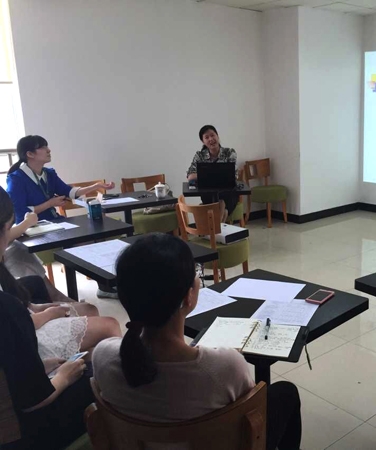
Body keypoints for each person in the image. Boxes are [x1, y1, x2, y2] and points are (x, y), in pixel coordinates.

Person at [93, 233, 302, 450]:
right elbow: (252, 414)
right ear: (188, 297)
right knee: (286, 392)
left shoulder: (102, 356)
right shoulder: (224, 367)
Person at [0, 188, 95, 450]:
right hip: (21, 434)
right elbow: (33, 401)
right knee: (96, 375)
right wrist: (63, 376)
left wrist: (37, 369)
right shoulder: (7, 309)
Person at [6, 135, 118, 299]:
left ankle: (105, 285)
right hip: (32, 229)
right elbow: (20, 212)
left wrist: (96, 186)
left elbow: (70, 192)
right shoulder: (16, 178)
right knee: (81, 241)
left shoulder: (49, 174)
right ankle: (98, 287)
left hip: (56, 223)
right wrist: (49, 204)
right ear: (30, 154)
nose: (49, 150)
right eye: (43, 147)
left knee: (92, 236)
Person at [187, 125, 238, 222]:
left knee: (221, 202)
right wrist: (216, 175)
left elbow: (233, 175)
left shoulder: (229, 152)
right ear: (203, 141)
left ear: (217, 136)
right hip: (208, 194)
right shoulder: (200, 155)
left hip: (228, 193)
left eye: (212, 135)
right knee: (219, 206)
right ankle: (220, 223)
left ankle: (216, 228)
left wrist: (205, 175)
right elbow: (190, 176)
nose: (211, 139)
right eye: (206, 137)